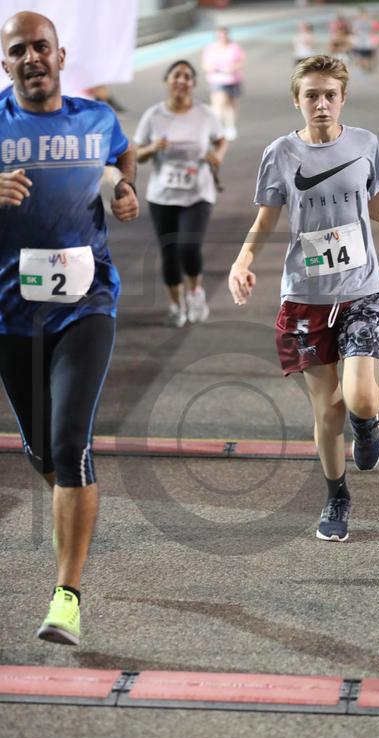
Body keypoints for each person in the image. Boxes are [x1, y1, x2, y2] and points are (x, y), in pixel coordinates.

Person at [228, 56, 379, 542]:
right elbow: (265, 220)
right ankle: (336, 495)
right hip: (305, 297)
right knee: (327, 411)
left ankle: (368, 424)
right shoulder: (280, 154)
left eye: (330, 95)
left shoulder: (364, 144)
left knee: (360, 398)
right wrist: (242, 261)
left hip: (362, 289)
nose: (321, 104)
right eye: (311, 95)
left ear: (343, 98)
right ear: (296, 100)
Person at [0, 11, 139, 644]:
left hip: (87, 304)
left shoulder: (96, 117)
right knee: (42, 452)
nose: (31, 57)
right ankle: (76, 498)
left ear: (61, 55)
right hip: (11, 315)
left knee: (69, 443)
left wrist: (124, 187)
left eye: (41, 47)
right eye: (18, 50)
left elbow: (120, 156)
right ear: (6, 62)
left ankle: (66, 597)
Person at [134, 60, 227, 327]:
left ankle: (195, 292)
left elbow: (221, 139)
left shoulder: (205, 114)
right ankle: (176, 304)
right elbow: (136, 154)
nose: (182, 80)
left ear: (193, 83)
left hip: (198, 192)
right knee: (169, 251)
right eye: (177, 75)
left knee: (189, 246)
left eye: (187, 77)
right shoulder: (153, 115)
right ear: (167, 80)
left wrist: (217, 156)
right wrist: (152, 148)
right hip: (162, 195)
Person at [201, 27, 245, 142]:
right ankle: (215, 129)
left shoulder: (234, 47)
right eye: (220, 36)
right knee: (218, 105)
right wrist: (213, 68)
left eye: (224, 35)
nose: (222, 38)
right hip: (217, 81)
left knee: (231, 104)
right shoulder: (211, 48)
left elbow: (240, 62)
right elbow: (205, 65)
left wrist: (231, 68)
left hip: (232, 79)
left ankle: (230, 127)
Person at [351, 8, 379, 72]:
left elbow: (376, 30)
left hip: (368, 42)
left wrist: (375, 39)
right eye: (362, 14)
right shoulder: (357, 22)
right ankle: (363, 68)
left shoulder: (371, 22)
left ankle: (368, 68)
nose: (364, 16)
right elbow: (354, 31)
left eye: (365, 14)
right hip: (360, 43)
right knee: (361, 56)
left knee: (369, 56)